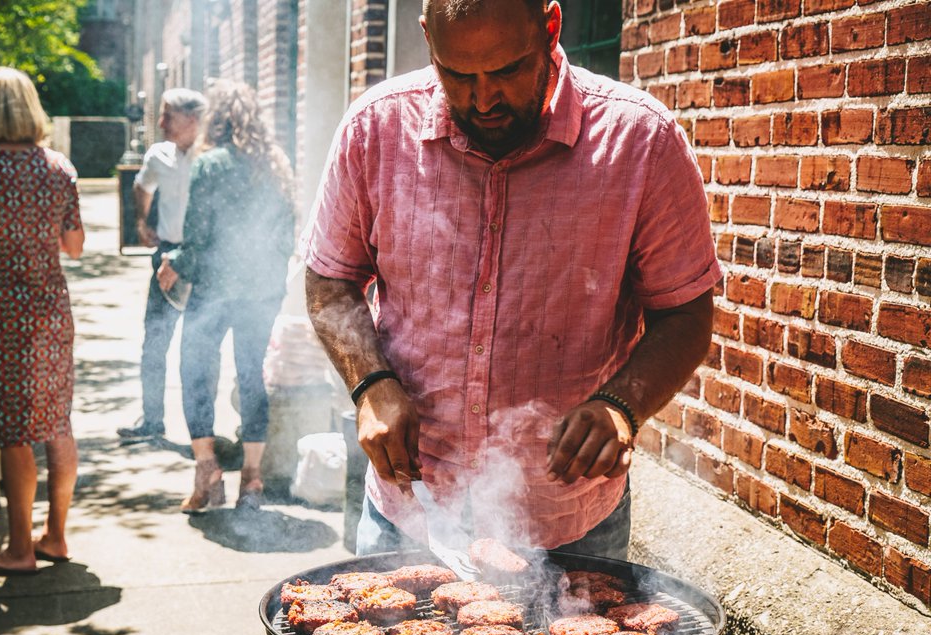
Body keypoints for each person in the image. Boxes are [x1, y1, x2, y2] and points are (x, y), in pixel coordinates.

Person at [303, 0, 720, 560]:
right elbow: (328, 280)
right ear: (428, 38)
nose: (483, 100)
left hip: (572, 525)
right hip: (410, 513)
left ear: (550, 27)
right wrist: (370, 385)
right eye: (457, 74)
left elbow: (686, 314)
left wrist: (622, 404)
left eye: (506, 70)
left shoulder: (641, 142)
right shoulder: (374, 128)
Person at [0, 66, 85, 574]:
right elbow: (74, 247)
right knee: (57, 423)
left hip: (3, 314)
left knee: (13, 430)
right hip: (51, 310)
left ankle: (18, 550)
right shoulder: (58, 168)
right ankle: (56, 537)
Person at [156, 80, 295, 512]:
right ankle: (252, 480)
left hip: (215, 288)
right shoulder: (276, 165)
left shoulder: (211, 165)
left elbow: (197, 238)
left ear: (217, 119)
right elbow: (284, 237)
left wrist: (173, 262)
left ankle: (208, 475)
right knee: (252, 373)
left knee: (196, 369)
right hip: (263, 290)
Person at [118, 87, 208, 443]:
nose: (160, 122)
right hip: (166, 256)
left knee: (200, 348)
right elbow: (142, 186)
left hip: (202, 260)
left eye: (167, 115)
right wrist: (143, 221)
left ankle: (203, 432)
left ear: (192, 119)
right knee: (155, 340)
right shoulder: (159, 155)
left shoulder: (210, 157)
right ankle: (152, 420)